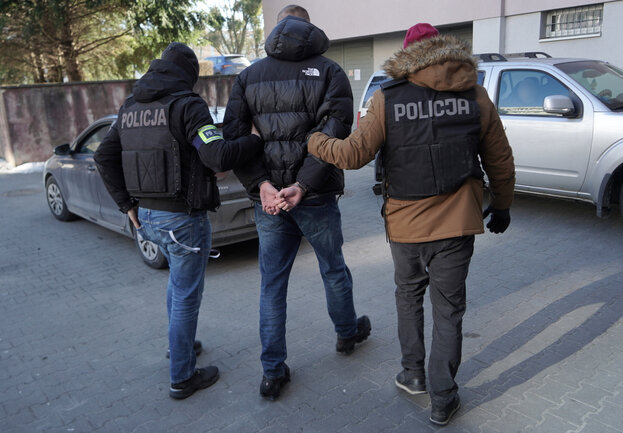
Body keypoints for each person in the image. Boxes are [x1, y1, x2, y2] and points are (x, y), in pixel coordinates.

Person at [308, 24, 515, 425]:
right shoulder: (475, 96)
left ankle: (413, 374)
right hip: (458, 224)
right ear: (445, 51)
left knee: (408, 297)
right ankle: (443, 397)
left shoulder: (388, 97)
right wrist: (502, 206)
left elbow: (353, 155)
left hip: (406, 226)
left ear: (407, 57)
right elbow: (500, 159)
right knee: (449, 310)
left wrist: (313, 140)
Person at [94, 42, 263, 400]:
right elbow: (217, 156)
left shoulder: (130, 107)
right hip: (182, 220)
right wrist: (254, 141)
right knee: (186, 295)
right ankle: (182, 378)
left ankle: (180, 346)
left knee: (176, 285)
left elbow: (103, 157)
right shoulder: (187, 105)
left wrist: (126, 204)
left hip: (148, 218)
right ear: (188, 74)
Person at [222, 4, 371, 401]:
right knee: (333, 268)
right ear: (309, 29)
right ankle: (347, 334)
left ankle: (272, 372)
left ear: (278, 29)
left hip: (270, 200)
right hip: (316, 195)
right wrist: (303, 185)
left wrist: (261, 185)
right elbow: (335, 132)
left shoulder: (248, 76)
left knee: (272, 284)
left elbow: (234, 139)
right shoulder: (330, 71)